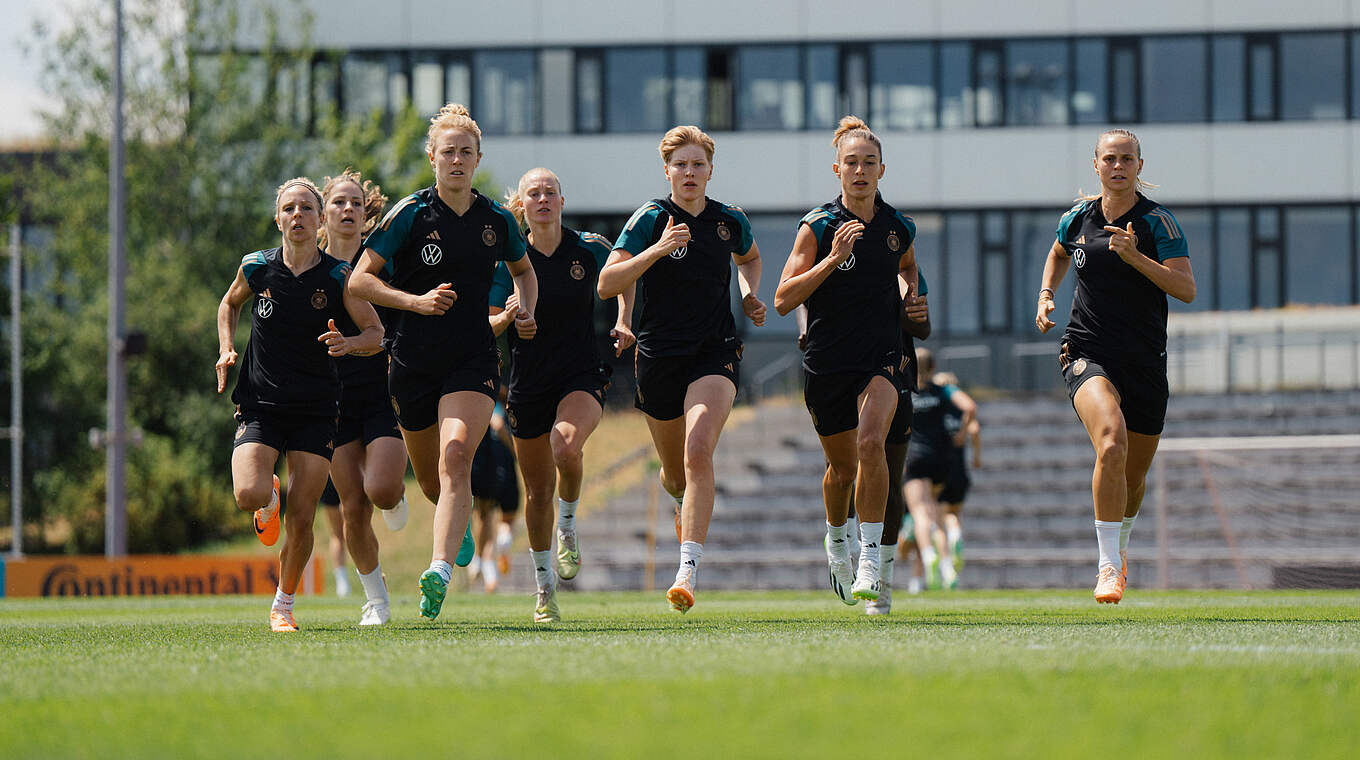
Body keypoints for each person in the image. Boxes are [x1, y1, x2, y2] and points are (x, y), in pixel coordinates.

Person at [349, 103, 538, 621]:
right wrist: (415, 302)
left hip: (472, 358)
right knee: (432, 481)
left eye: (466, 152)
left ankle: (438, 570)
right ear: (433, 157)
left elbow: (525, 272)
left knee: (457, 456)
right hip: (410, 359)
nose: (457, 160)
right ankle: (456, 531)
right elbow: (358, 281)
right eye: (448, 151)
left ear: (478, 159)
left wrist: (526, 310)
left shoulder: (496, 220)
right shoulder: (410, 214)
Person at [598, 125, 766, 613]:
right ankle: (680, 504)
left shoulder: (730, 220)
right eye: (680, 165)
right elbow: (608, 283)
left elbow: (750, 258)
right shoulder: (651, 218)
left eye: (698, 165)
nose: (689, 173)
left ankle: (687, 570)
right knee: (675, 475)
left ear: (710, 171)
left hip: (714, 353)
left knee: (698, 452)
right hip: (658, 356)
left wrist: (749, 292)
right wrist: (657, 250)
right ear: (667, 170)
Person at [215, 177, 384, 632]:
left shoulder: (337, 277)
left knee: (304, 516)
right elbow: (228, 305)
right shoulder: (257, 267)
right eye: (288, 208)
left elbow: (375, 334)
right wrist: (226, 347)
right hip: (261, 405)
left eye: (306, 208)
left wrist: (349, 344)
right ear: (277, 219)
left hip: (316, 408)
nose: (297, 216)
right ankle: (267, 495)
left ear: (319, 219)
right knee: (247, 493)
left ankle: (283, 605)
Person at [1036, 128, 1195, 604]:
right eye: (1110, 158)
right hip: (1087, 350)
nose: (1119, 166)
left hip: (1144, 361)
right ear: (1097, 165)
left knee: (1134, 476)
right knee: (1110, 441)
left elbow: (1185, 288)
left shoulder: (1158, 224)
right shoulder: (1077, 218)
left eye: (1127, 158)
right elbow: (1059, 251)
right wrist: (1047, 293)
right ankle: (1107, 567)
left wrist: (1135, 257)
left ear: (1139, 167)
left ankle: (1119, 547)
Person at [774, 115, 918, 607]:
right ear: (837, 169)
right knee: (840, 471)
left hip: (882, 357)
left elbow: (906, 269)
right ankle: (836, 536)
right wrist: (832, 259)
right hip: (827, 361)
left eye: (869, 163)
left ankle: (870, 559)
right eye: (852, 163)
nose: (860, 171)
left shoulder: (899, 227)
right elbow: (782, 299)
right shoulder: (817, 226)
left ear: (882, 170)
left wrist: (911, 297)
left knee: (871, 441)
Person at [491, 167, 635, 622]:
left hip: (581, 373)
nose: (544, 199)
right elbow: (488, 320)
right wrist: (511, 317)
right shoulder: (508, 261)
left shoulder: (588, 247)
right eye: (534, 193)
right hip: (528, 382)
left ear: (562, 200)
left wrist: (623, 318)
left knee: (566, 445)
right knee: (535, 491)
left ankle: (568, 525)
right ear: (524, 206)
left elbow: (623, 276)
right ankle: (543, 587)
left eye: (551, 191)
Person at [318, 169, 410, 625]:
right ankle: (376, 600)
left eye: (356, 203)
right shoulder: (308, 270)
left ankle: (395, 496)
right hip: (331, 402)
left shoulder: (383, 266)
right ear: (324, 214)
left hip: (382, 392)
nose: (348, 210)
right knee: (352, 505)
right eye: (339, 203)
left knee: (383, 489)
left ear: (366, 212)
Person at [869, 269, 931, 614]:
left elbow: (923, 328)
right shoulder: (831, 243)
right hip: (841, 374)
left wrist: (915, 317)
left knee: (892, 481)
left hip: (896, 375)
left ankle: (883, 576)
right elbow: (799, 298)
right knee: (845, 470)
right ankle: (843, 543)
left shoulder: (906, 269)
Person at [904, 348, 971, 590]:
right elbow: (969, 407)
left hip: (915, 457)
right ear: (933, 368)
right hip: (941, 459)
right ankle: (944, 563)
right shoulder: (943, 391)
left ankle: (928, 553)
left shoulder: (906, 392)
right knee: (935, 511)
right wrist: (962, 434)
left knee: (920, 512)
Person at [467, 397, 519, 593]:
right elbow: (497, 425)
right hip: (501, 467)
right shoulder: (496, 405)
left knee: (484, 516)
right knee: (506, 519)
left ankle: (481, 563)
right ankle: (500, 545)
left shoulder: (479, 401)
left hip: (486, 466)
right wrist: (514, 451)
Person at [933, 369, 980, 580]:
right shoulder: (961, 412)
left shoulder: (938, 408)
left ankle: (947, 566)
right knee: (954, 514)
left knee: (939, 520)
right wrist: (976, 456)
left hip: (941, 469)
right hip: (961, 470)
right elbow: (975, 430)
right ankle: (956, 534)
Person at [317, 478, 351, 597]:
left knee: (351, 529)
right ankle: (342, 580)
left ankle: (365, 576)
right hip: (330, 475)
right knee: (338, 533)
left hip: (343, 470)